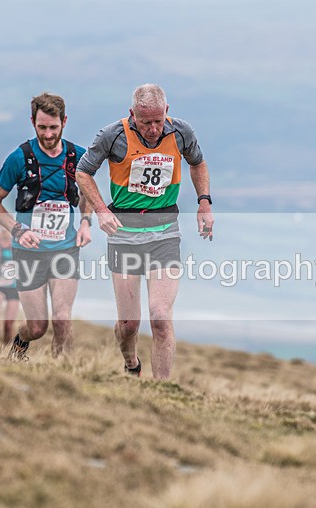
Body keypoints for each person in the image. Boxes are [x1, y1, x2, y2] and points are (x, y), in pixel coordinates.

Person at [75, 84, 214, 379]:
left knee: (160, 318)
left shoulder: (182, 132)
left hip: (164, 233)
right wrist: (100, 210)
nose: (152, 129)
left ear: (167, 111)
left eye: (158, 121)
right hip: (124, 234)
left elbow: (198, 163)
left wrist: (204, 202)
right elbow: (83, 172)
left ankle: (161, 391)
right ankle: (131, 364)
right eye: (145, 122)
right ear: (132, 114)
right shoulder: (112, 135)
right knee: (129, 325)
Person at [0, 92, 92, 359]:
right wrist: (17, 229)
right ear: (32, 122)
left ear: (64, 122)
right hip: (28, 252)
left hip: (65, 248)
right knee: (37, 327)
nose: (48, 134)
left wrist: (85, 223)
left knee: (62, 318)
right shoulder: (19, 158)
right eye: (41, 127)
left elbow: (88, 194)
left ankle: (62, 373)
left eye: (53, 127)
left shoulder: (78, 157)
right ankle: (17, 349)